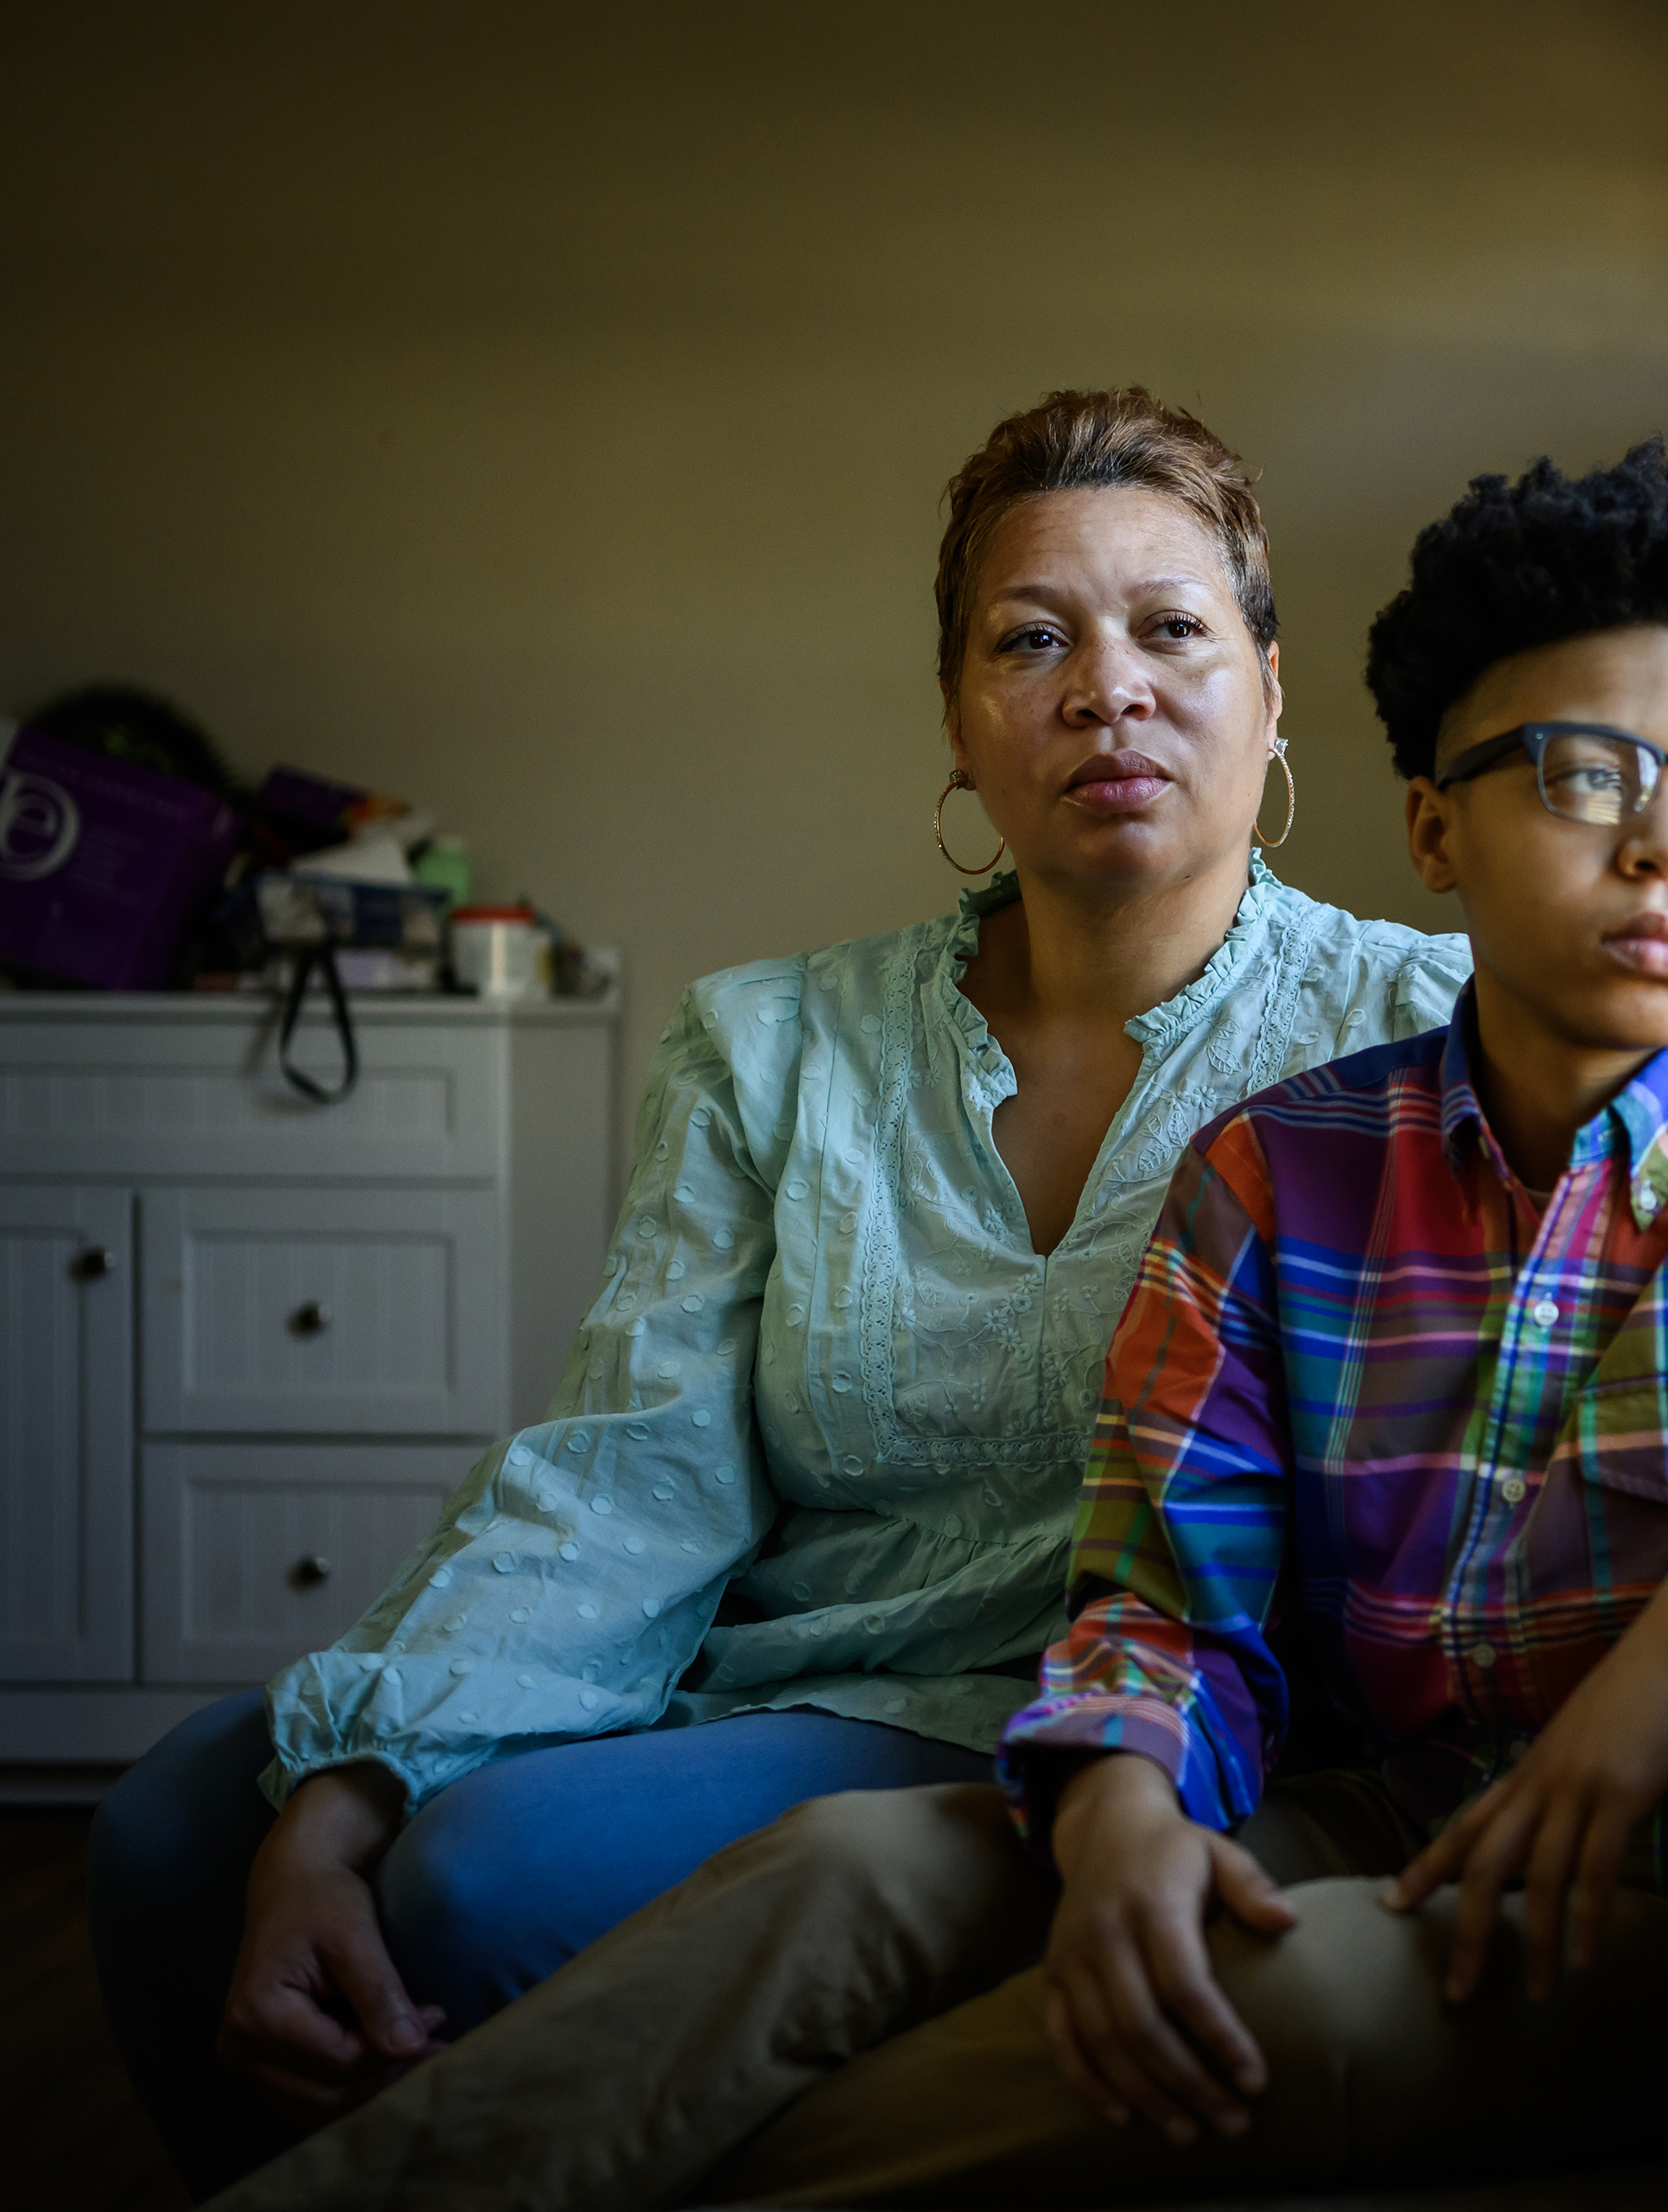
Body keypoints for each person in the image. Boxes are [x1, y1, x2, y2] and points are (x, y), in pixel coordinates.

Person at [207, 440, 1668, 2212]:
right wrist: (1120, 1799)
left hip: (1635, 1894)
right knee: (851, 1869)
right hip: (1344, 1803)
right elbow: (1165, 1591)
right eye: (1586, 774)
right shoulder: (1285, 1171)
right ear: (1434, 826)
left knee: (1249, 2010)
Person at [86, 387, 1471, 2199]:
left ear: (1272, 690)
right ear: (961, 721)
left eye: (1171, 630)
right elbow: (627, 1465)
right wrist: (347, 1783)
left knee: (471, 1876)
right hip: (747, 1660)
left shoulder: (1417, 1025)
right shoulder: (773, 1040)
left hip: (1084, 1716)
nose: (1104, 688)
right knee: (178, 1830)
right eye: (1030, 637)